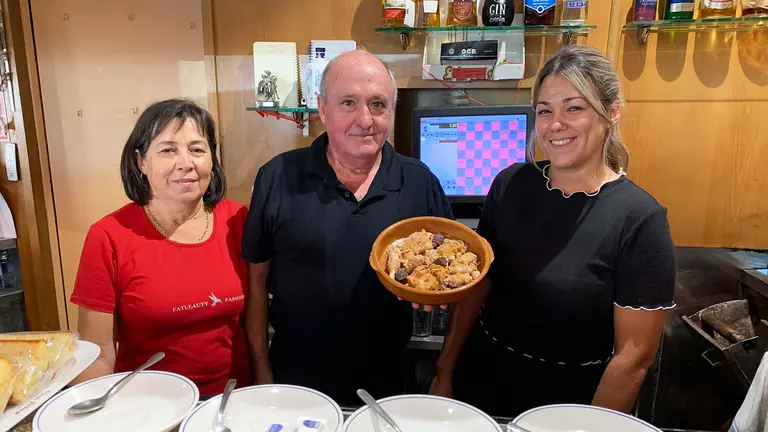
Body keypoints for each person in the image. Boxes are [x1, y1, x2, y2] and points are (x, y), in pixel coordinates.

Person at [430, 45, 676, 417]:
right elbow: (478, 285)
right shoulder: (510, 184)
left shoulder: (639, 219)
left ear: (611, 113)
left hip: (569, 402)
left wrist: (589, 427)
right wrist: (443, 372)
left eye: (574, 108)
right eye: (545, 110)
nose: (555, 124)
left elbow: (634, 356)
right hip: (481, 383)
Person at [242, 50, 452, 405]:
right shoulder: (276, 177)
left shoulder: (420, 183)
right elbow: (256, 281)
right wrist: (262, 369)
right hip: (294, 380)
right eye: (349, 103)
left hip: (387, 383)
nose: (365, 119)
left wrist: (444, 370)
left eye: (378, 104)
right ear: (323, 108)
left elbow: (457, 274)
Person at [70, 98, 253, 396]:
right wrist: (93, 408)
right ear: (141, 161)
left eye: (197, 149)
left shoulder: (238, 220)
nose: (186, 163)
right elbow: (99, 351)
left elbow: (254, 321)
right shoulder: (108, 236)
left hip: (232, 400)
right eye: (168, 150)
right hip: (149, 407)